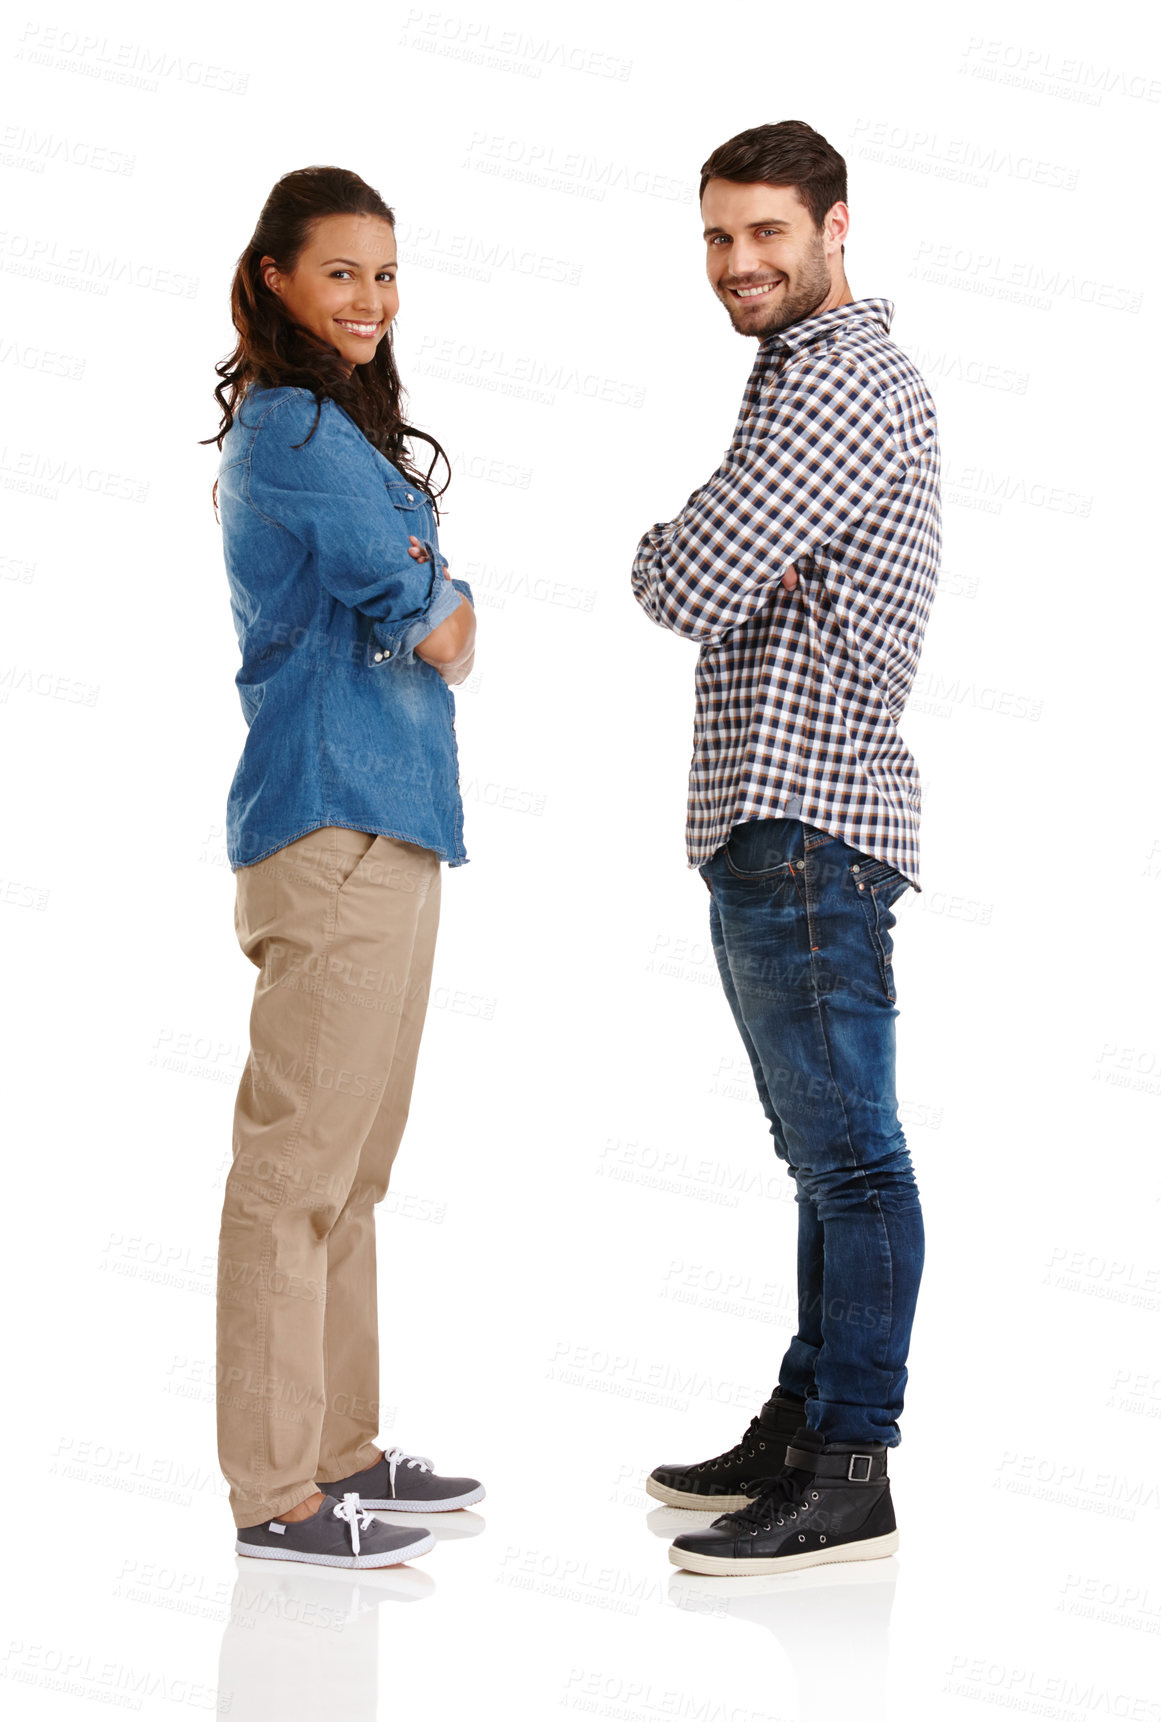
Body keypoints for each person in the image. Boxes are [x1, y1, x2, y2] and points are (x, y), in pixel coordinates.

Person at [630, 121, 941, 1576]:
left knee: (853, 1161)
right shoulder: (798, 380)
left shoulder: (838, 387)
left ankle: (850, 1465)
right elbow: (723, 568)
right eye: (716, 237)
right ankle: (806, 1417)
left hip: (809, 820)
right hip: (781, 821)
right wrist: (742, 551)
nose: (737, 262)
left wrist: (699, 544)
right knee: (821, 1158)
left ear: (833, 228)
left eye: (765, 232)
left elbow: (680, 575)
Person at [203, 165, 483, 1570]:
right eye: (339, 274)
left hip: (394, 821)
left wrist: (435, 584)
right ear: (275, 280)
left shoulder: (339, 431)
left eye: (384, 273)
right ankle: (275, 1491)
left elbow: (431, 596)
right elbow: (436, 622)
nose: (367, 300)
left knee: (355, 1170)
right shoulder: (297, 426)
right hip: (329, 823)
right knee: (294, 1168)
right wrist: (443, 587)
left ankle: (345, 1452)